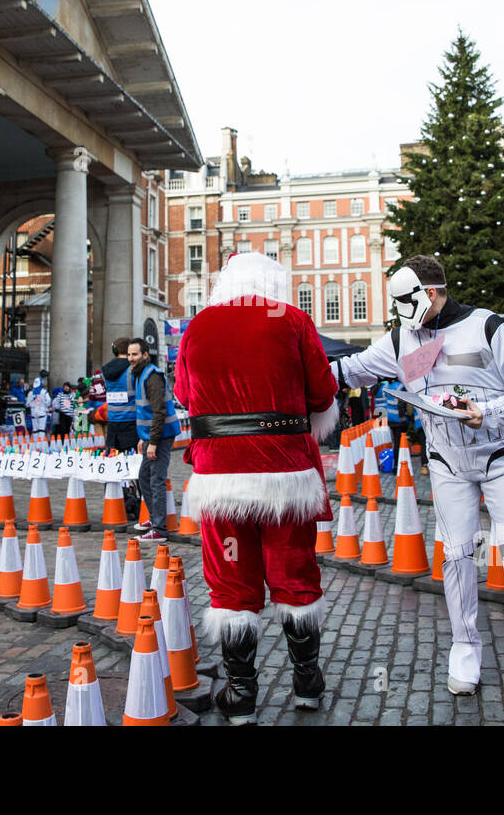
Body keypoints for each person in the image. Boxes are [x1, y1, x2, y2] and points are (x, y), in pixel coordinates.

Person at [331, 255, 504, 700]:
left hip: (503, 456)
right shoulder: (401, 337)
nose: (402, 315)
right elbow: (354, 369)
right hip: (447, 464)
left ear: (428, 293)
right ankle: (465, 647)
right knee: (457, 557)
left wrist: (490, 412)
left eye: (406, 301)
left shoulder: (489, 327)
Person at [175, 253, 339, 723]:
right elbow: (323, 393)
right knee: (295, 573)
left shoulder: (199, 325)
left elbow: (185, 395)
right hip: (285, 475)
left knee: (231, 580)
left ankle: (241, 692)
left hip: (221, 475)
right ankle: (307, 680)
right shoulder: (291, 320)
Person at [129, 338, 179, 544]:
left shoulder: (152, 376)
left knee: (156, 480)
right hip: (151, 436)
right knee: (144, 477)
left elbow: (159, 412)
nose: (131, 358)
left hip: (162, 435)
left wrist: (153, 442)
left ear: (145, 355)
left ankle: (159, 529)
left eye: (135, 354)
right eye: (130, 354)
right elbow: (146, 411)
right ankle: (154, 519)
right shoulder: (141, 375)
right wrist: (144, 439)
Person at [101, 337, 142, 520]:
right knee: (137, 468)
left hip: (113, 426)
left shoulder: (106, 371)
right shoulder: (132, 370)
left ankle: (117, 505)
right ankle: (141, 507)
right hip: (131, 423)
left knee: (113, 467)